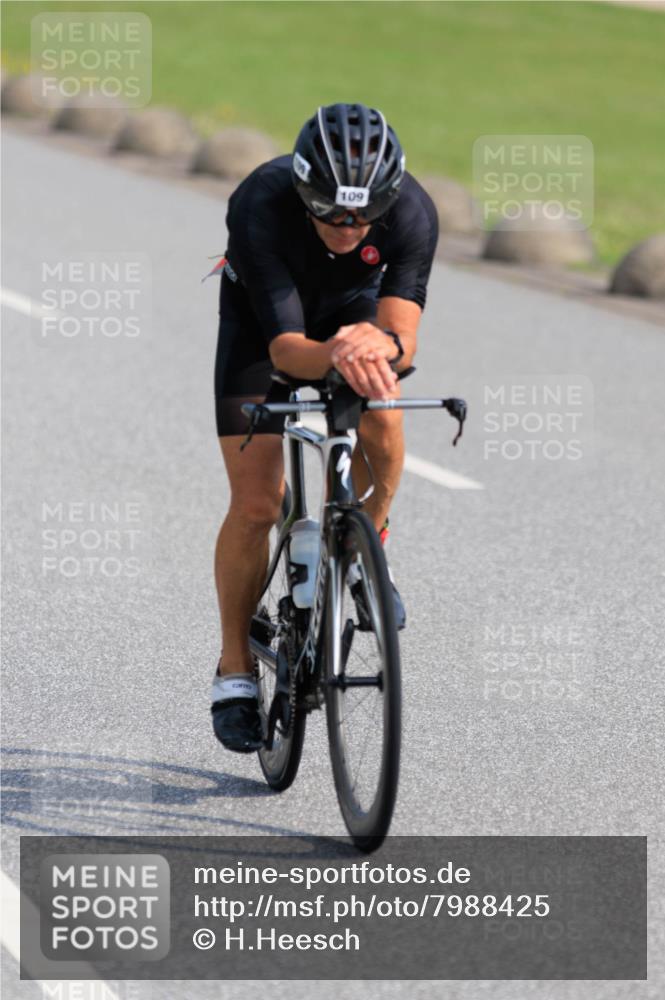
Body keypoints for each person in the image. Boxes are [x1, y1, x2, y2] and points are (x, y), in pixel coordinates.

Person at [211, 102, 438, 752]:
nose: (348, 227)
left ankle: (370, 546)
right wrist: (341, 352)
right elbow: (286, 351)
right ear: (304, 191)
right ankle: (233, 668)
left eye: (362, 214)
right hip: (263, 328)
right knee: (256, 505)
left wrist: (377, 351)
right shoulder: (261, 200)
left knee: (384, 413)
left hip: (354, 316)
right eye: (331, 212)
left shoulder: (413, 213)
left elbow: (404, 339)